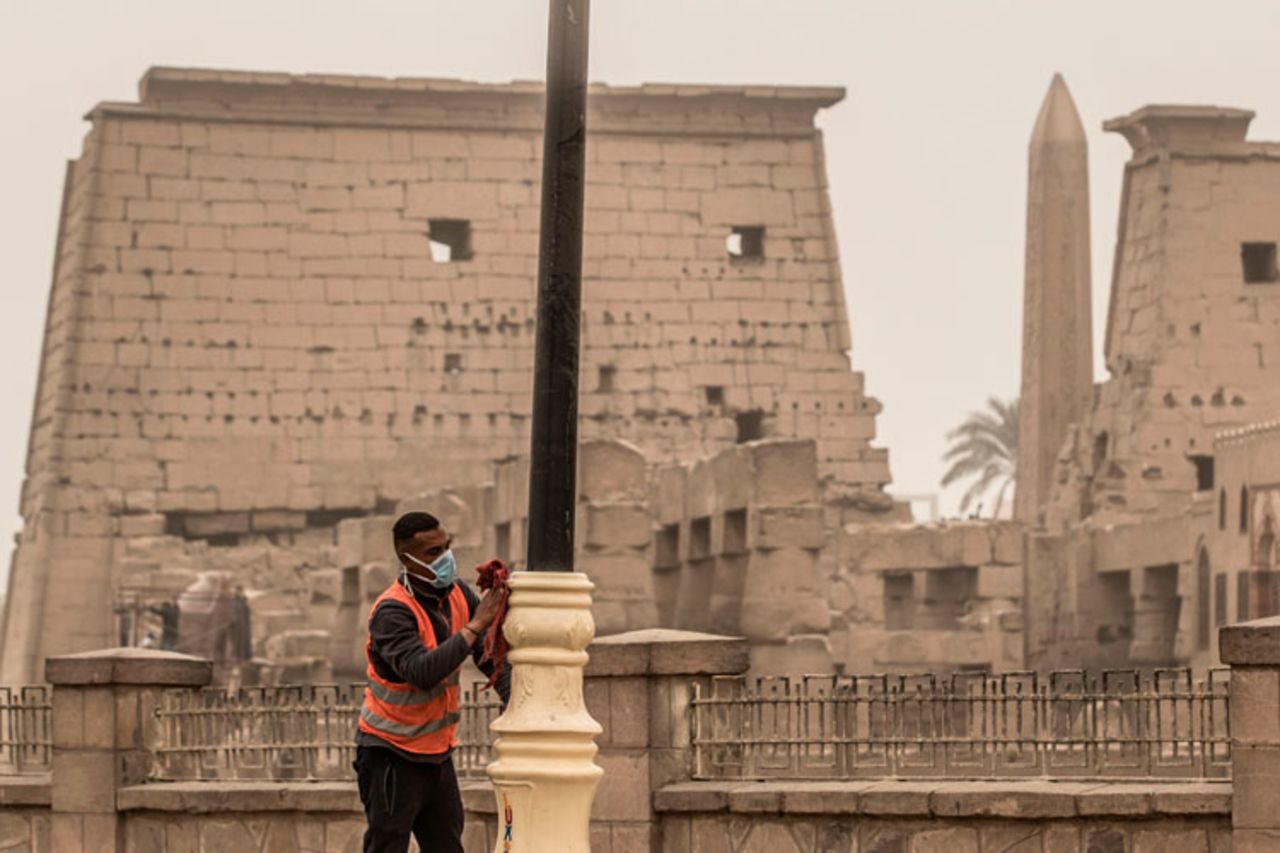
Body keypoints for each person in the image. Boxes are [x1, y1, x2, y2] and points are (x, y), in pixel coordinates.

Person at [355, 511, 510, 853]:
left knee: (447, 846)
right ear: (406, 559)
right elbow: (422, 672)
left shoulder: (457, 594)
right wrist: (474, 626)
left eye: (446, 547)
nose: (445, 558)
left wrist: (516, 697)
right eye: (432, 552)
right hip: (390, 752)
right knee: (387, 845)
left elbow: (486, 656)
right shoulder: (392, 612)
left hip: (436, 754)